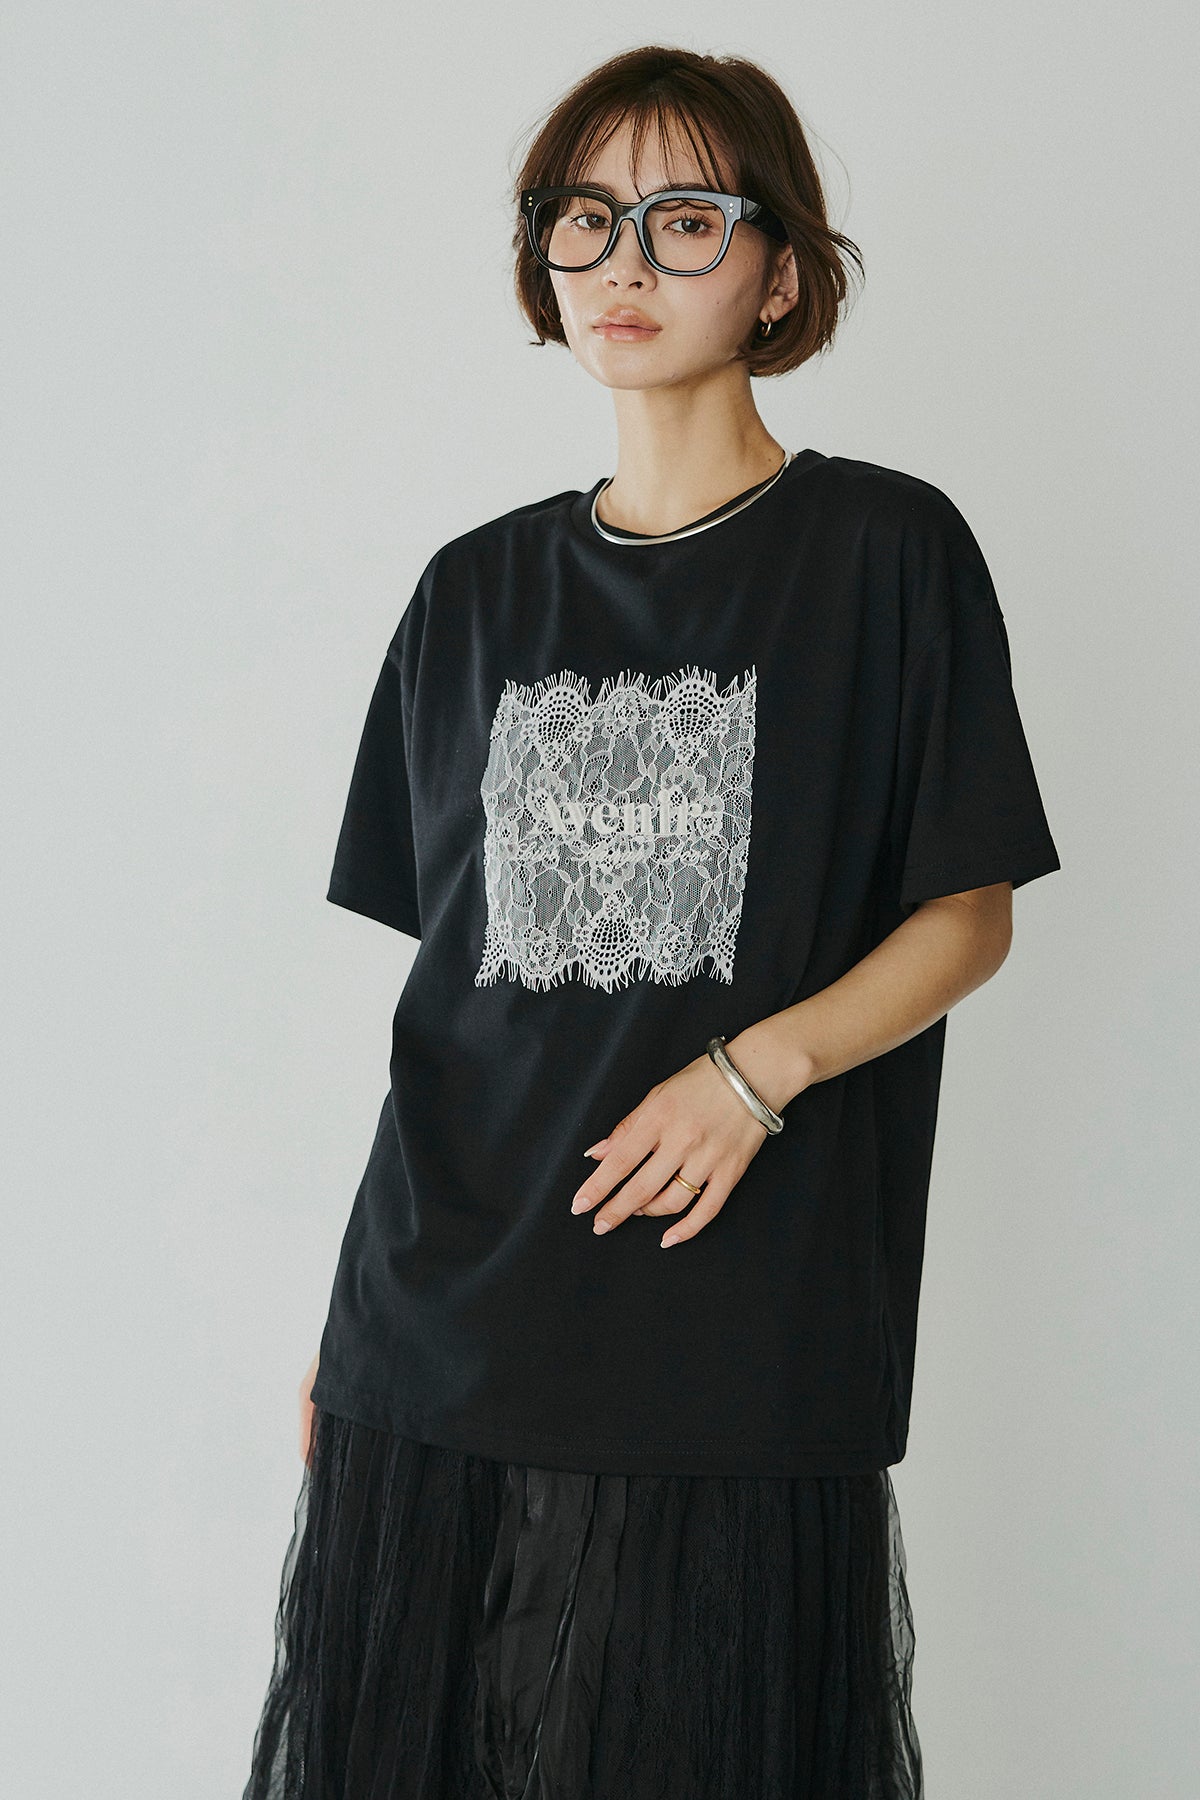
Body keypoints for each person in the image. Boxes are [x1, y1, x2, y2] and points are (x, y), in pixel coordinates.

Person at [242, 43, 1060, 1800]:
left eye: (685, 218)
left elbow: (969, 912)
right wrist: (347, 1331)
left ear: (781, 274)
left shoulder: (885, 551)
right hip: (436, 1338)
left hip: (729, 1347)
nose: (624, 260)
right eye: (584, 217)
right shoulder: (471, 591)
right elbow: (458, 1014)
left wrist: (756, 1074)